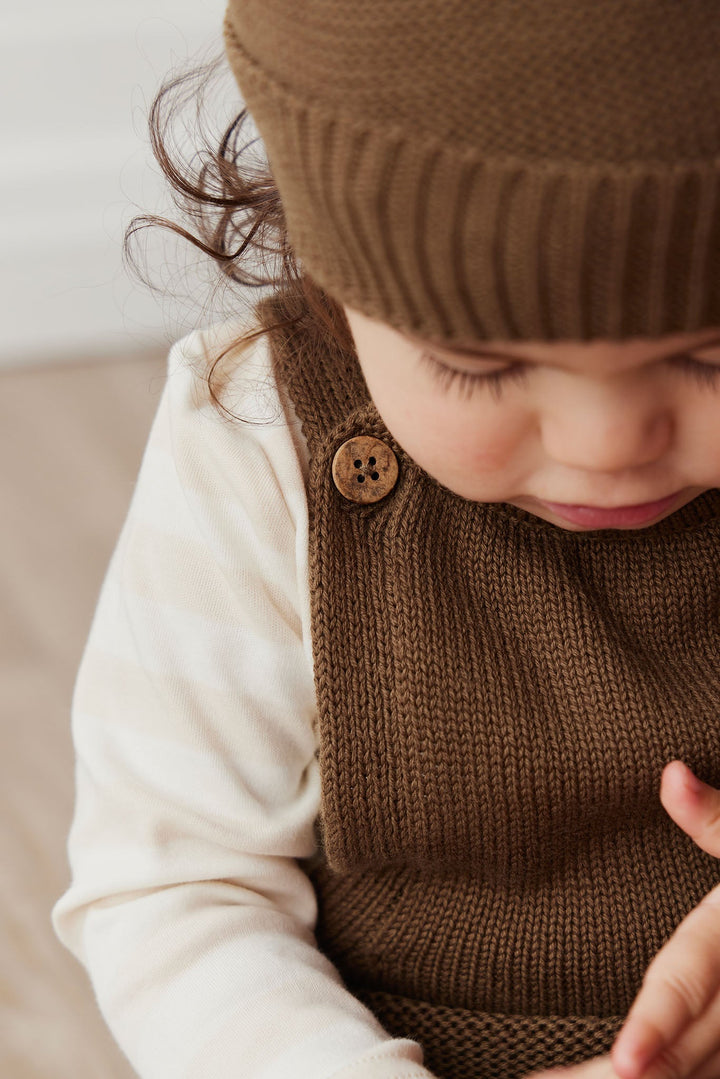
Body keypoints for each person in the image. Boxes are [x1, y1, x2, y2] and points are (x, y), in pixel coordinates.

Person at [52, 1, 720, 1077]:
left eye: (713, 354)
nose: (607, 444)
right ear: (334, 272)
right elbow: (175, 888)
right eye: (483, 363)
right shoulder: (259, 446)